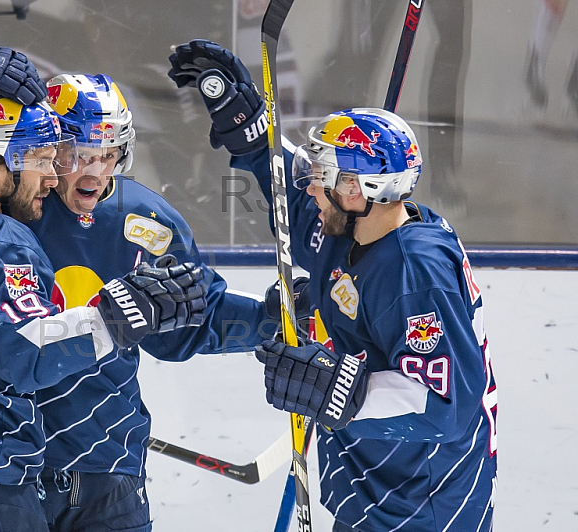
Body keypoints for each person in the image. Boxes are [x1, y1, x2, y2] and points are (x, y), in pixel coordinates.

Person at [0, 46, 274, 531]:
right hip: (4, 467)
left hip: (106, 464)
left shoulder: (148, 221)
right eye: (75, 154)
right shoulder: (2, 194)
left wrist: (274, 319)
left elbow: (189, 322)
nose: (92, 172)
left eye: (108, 154)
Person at [169, 40, 498, 531]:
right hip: (373, 490)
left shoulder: (415, 272)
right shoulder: (349, 229)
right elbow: (289, 195)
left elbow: (446, 405)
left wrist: (340, 389)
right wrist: (252, 131)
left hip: (423, 507)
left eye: (323, 176)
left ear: (359, 188)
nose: (310, 187)